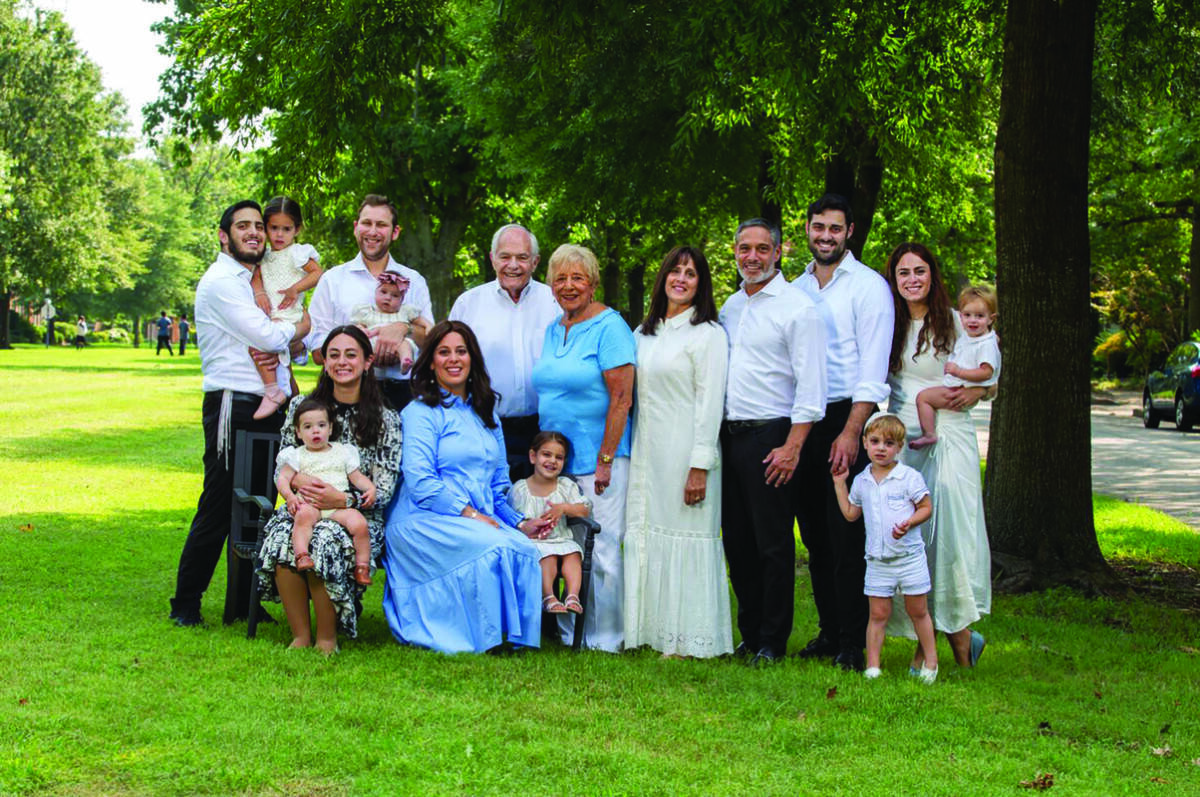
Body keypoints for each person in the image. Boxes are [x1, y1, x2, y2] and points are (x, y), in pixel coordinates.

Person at [169, 200, 311, 628]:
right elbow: (267, 336)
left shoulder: (258, 277)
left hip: (269, 403)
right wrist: (300, 328)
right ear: (223, 235)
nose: (254, 233)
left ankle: (243, 603)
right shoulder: (222, 283)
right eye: (242, 226)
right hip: (235, 402)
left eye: (258, 227)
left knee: (258, 506)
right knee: (217, 503)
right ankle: (186, 604)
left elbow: (283, 348)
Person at [382, 321, 550, 654]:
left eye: (461, 351)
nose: (453, 359)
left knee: (523, 547)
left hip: (476, 516)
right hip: (423, 517)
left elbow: (498, 485)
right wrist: (469, 513)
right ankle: (478, 636)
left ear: (472, 358)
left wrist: (518, 522)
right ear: (431, 361)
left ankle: (508, 636)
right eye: (444, 352)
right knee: (492, 545)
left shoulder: (487, 415)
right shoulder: (421, 412)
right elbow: (420, 481)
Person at [792, 193, 895, 672]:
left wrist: (853, 431)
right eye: (818, 227)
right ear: (808, 229)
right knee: (813, 532)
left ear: (849, 231)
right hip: (805, 419)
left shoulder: (869, 287)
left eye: (835, 228)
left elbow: (873, 369)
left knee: (847, 532)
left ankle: (853, 642)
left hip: (850, 419)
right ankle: (829, 631)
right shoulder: (795, 288)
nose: (825, 236)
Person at [720, 218, 827, 666]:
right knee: (737, 541)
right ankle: (749, 632)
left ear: (779, 252)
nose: (752, 257)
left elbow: (812, 385)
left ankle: (771, 640)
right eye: (745, 248)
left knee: (773, 543)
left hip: (773, 435)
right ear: (735, 251)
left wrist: (793, 446)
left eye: (762, 249)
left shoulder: (797, 308)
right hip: (730, 436)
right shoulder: (728, 307)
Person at [257, 325, 402, 652]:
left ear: (367, 361)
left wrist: (344, 499)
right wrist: (300, 487)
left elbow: (385, 487)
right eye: (334, 354)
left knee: (325, 541)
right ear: (324, 362)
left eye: (351, 354)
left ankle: (326, 637)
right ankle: (300, 634)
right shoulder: (302, 407)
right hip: (302, 508)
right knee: (283, 537)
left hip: (358, 518)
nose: (342, 362)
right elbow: (285, 464)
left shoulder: (385, 418)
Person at [884, 242, 991, 669]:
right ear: (893, 279)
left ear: (933, 275)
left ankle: (931, 646)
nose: (912, 279)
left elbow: (989, 373)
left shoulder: (954, 322)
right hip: (899, 443)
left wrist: (979, 391)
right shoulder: (888, 323)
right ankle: (963, 642)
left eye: (920, 270)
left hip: (945, 437)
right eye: (903, 272)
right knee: (911, 541)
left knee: (943, 541)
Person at [624, 246, 733, 659]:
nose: (682, 279)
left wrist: (699, 465)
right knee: (649, 532)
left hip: (687, 453)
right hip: (648, 454)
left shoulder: (708, 334)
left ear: (701, 284)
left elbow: (710, 405)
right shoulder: (644, 333)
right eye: (675, 271)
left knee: (688, 537)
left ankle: (689, 640)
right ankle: (650, 630)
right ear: (663, 277)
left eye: (691, 273)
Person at [531, 244, 636, 652]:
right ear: (551, 285)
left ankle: (606, 638)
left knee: (603, 545)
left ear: (592, 283)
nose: (568, 285)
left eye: (578, 278)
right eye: (560, 278)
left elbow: (622, 399)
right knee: (562, 545)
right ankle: (568, 631)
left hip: (599, 459)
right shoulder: (554, 327)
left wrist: (606, 459)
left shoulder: (611, 327)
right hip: (557, 463)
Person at [449, 224, 559, 480]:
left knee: (539, 509)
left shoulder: (554, 302)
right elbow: (449, 364)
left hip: (544, 429)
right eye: (505, 257)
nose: (513, 265)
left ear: (535, 262)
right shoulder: (469, 304)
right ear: (492, 258)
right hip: (485, 426)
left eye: (522, 257)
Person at [832, 412, 937, 683]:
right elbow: (851, 513)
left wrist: (909, 521)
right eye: (875, 441)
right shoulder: (862, 481)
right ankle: (873, 666)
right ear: (865, 443)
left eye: (889, 443)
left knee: (918, 611)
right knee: (877, 614)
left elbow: (925, 507)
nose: (881, 448)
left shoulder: (907, 477)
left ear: (899, 448)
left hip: (908, 557)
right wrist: (839, 483)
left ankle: (931, 662)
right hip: (878, 560)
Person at [306, 194, 434, 410]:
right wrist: (353, 344)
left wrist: (404, 329)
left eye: (381, 225)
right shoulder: (333, 280)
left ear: (395, 232)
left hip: (403, 393)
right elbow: (317, 350)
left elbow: (430, 340)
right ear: (356, 227)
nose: (372, 231)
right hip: (346, 392)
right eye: (367, 223)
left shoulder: (415, 281)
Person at [274, 397, 377, 588]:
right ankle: (302, 555)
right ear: (298, 432)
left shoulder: (343, 452)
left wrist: (370, 488)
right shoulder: (297, 455)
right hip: (310, 504)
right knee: (303, 517)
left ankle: (362, 566)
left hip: (337, 506)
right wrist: (289, 496)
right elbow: (282, 478)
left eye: (321, 425)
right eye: (307, 426)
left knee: (359, 524)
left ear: (330, 428)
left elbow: (356, 477)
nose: (315, 430)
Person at [249, 196, 324, 419]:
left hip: (288, 313)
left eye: (286, 229)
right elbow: (256, 276)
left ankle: (274, 391)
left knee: (268, 347)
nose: (279, 235)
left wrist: (295, 288)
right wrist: (260, 292)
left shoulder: (297, 253)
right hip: (271, 312)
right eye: (274, 228)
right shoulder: (265, 255)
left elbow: (317, 273)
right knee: (282, 364)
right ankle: (291, 399)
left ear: (297, 229)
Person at [508, 431, 590, 614]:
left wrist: (563, 508)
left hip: (561, 539)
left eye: (559, 457)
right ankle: (549, 597)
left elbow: (584, 509)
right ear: (532, 456)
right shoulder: (521, 489)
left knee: (574, 554)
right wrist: (528, 525)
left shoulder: (565, 486)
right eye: (546, 454)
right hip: (536, 543)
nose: (552, 461)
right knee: (548, 557)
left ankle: (572, 597)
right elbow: (512, 520)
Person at [911, 285, 1001, 449]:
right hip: (957, 389)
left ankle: (929, 434)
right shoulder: (973, 336)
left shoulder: (985, 343)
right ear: (961, 316)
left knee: (923, 398)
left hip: (960, 390)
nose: (972, 320)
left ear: (991, 319)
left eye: (979, 316)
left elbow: (987, 372)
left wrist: (960, 373)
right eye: (967, 315)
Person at [350, 272, 421, 373]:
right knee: (361, 345)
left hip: (397, 344)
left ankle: (406, 361)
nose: (388, 298)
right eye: (383, 292)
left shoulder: (403, 312)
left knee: (406, 344)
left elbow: (420, 323)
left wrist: (425, 326)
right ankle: (362, 366)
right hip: (373, 344)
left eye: (395, 295)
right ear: (375, 293)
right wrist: (362, 330)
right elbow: (358, 326)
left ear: (402, 300)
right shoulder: (367, 312)